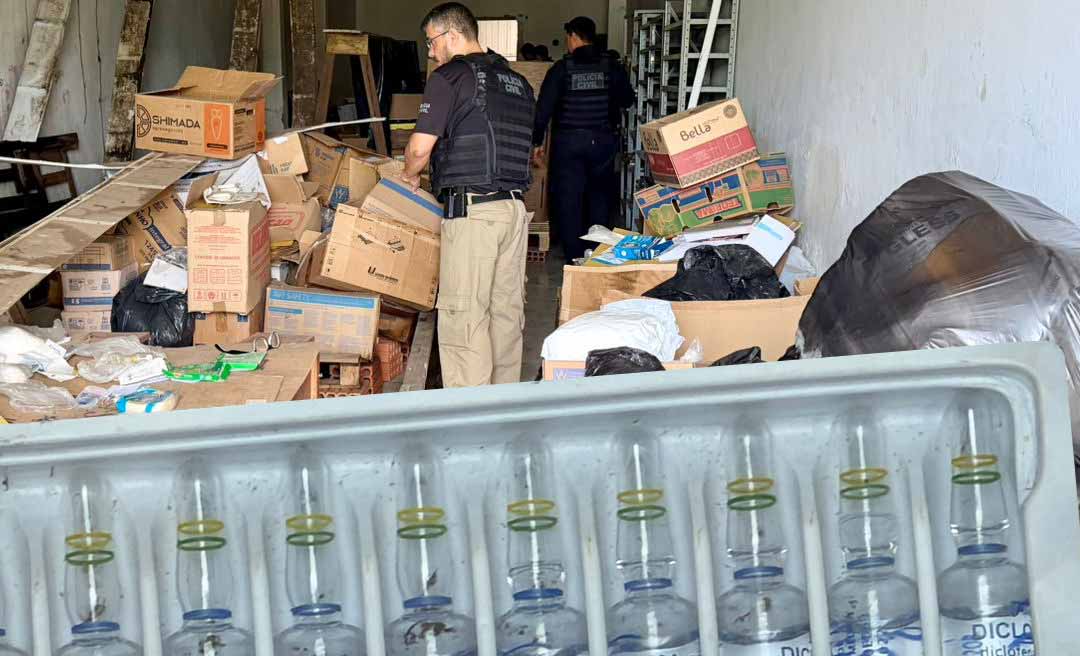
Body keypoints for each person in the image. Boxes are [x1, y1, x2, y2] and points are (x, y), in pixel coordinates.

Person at [401, 2, 536, 388]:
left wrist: (408, 176)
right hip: (513, 212)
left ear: (452, 35)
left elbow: (419, 149)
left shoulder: (450, 77)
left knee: (465, 317)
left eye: (431, 42)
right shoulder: (517, 83)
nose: (430, 52)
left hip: (474, 213)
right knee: (506, 314)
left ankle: (467, 422)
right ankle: (501, 406)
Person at [532, 16, 634, 262]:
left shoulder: (561, 69)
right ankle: (597, 254)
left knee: (569, 199)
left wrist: (536, 143)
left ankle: (574, 256)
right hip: (602, 141)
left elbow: (543, 110)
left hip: (568, 143)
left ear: (573, 36)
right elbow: (627, 100)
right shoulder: (611, 66)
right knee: (599, 197)